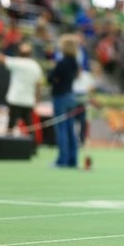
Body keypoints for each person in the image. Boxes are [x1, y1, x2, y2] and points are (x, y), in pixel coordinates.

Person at [0, 40, 43, 135]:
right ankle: (32, 147)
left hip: (15, 100)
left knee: (10, 126)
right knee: (30, 127)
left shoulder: (16, 62)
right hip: (29, 102)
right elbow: (38, 87)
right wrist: (37, 102)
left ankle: (7, 147)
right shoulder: (36, 66)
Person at [48, 34, 79, 168]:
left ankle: (62, 160)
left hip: (60, 96)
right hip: (71, 96)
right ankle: (72, 159)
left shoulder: (62, 62)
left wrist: (55, 78)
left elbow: (51, 77)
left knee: (61, 129)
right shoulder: (75, 63)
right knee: (70, 129)